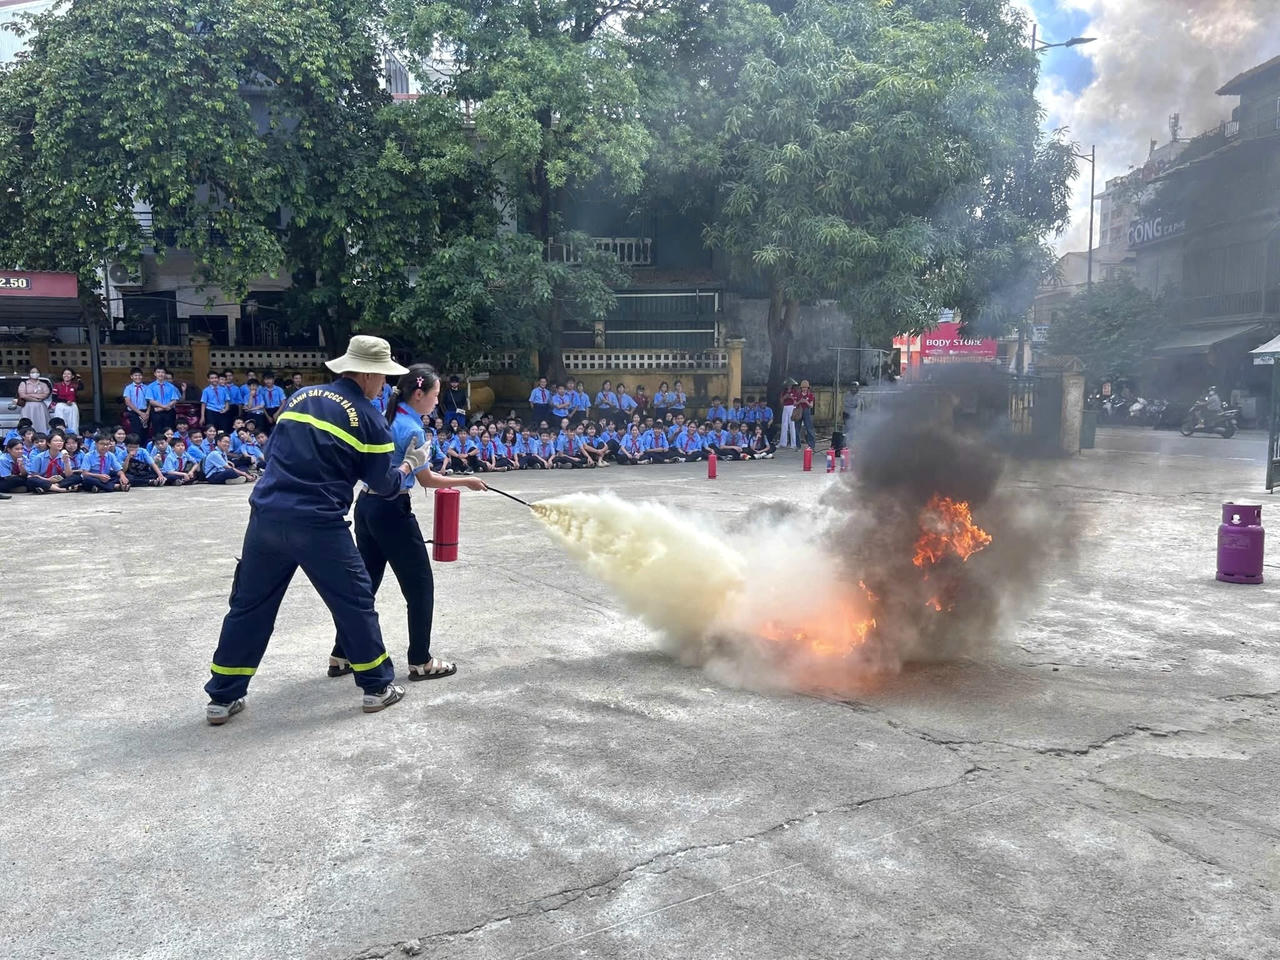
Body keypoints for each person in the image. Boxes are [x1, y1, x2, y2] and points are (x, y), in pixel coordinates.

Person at [203, 335, 428, 725]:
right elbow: (384, 485)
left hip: (266, 519)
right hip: (319, 524)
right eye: (383, 377)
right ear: (367, 374)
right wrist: (410, 464)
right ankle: (376, 688)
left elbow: (272, 453)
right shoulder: (367, 417)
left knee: (249, 606)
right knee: (354, 601)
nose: (386, 385)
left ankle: (222, 697)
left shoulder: (299, 398)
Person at [330, 365, 488, 682]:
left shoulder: (384, 417)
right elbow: (426, 478)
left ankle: (342, 655)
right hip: (392, 510)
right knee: (420, 587)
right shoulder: (412, 429)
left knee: (367, 584)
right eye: (435, 394)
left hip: (367, 506)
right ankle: (420, 661)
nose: (437, 401)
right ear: (419, 394)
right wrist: (467, 480)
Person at [144, 366, 181, 438]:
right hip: (156, 413)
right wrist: (164, 407)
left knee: (170, 431)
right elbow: (151, 401)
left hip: (169, 411)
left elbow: (174, 400)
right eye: (158, 372)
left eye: (162, 372)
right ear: (155, 374)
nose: (160, 374)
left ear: (165, 374)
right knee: (157, 431)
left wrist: (165, 407)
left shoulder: (171, 386)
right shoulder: (150, 386)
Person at [17, 367, 52, 435]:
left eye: (36, 372)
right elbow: (22, 395)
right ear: (29, 374)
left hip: (40, 407)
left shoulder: (43, 384)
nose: (35, 374)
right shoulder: (24, 383)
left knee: (41, 422)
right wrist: (36, 398)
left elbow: (46, 394)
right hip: (28, 407)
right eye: (33, 372)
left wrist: (30, 395)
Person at [51, 368, 82, 435]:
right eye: (64, 374)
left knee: (73, 424)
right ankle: (59, 437)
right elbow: (54, 398)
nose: (66, 375)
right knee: (60, 424)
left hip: (72, 406)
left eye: (68, 374)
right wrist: (65, 401)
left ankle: (73, 438)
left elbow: (81, 387)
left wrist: (79, 379)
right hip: (60, 406)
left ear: (72, 376)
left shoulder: (74, 385)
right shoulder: (57, 385)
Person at [795, 378, 817, 448]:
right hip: (799, 410)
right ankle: (798, 445)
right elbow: (794, 404)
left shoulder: (810, 395)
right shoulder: (798, 394)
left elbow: (811, 405)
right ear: (801, 388)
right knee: (797, 428)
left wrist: (806, 402)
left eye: (806, 387)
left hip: (807, 411)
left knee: (809, 428)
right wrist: (800, 401)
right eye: (803, 388)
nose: (804, 389)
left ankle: (811, 445)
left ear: (808, 388)